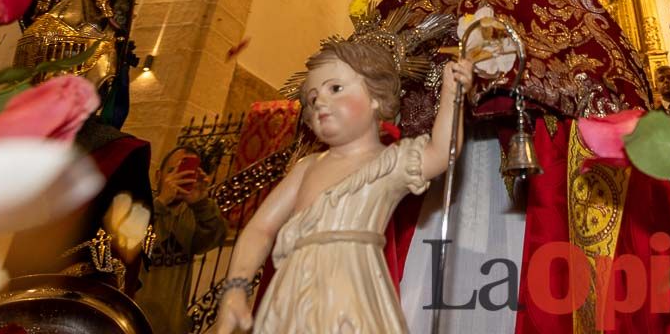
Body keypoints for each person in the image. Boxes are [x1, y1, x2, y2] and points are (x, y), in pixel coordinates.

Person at [213, 41, 473, 334]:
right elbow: (260, 229)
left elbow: (441, 153)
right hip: (292, 296)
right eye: (313, 99)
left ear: (376, 97)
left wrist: (453, 95)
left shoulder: (389, 161)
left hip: (353, 292)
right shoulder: (306, 168)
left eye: (334, 88)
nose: (320, 102)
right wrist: (235, 288)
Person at [136, 147, 228, 333]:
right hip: (132, 324)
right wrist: (161, 203)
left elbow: (215, 237)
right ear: (157, 176)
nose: (178, 179)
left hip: (173, 327)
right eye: (172, 171)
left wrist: (201, 202)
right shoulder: (139, 205)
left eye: (187, 174)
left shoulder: (193, 215)